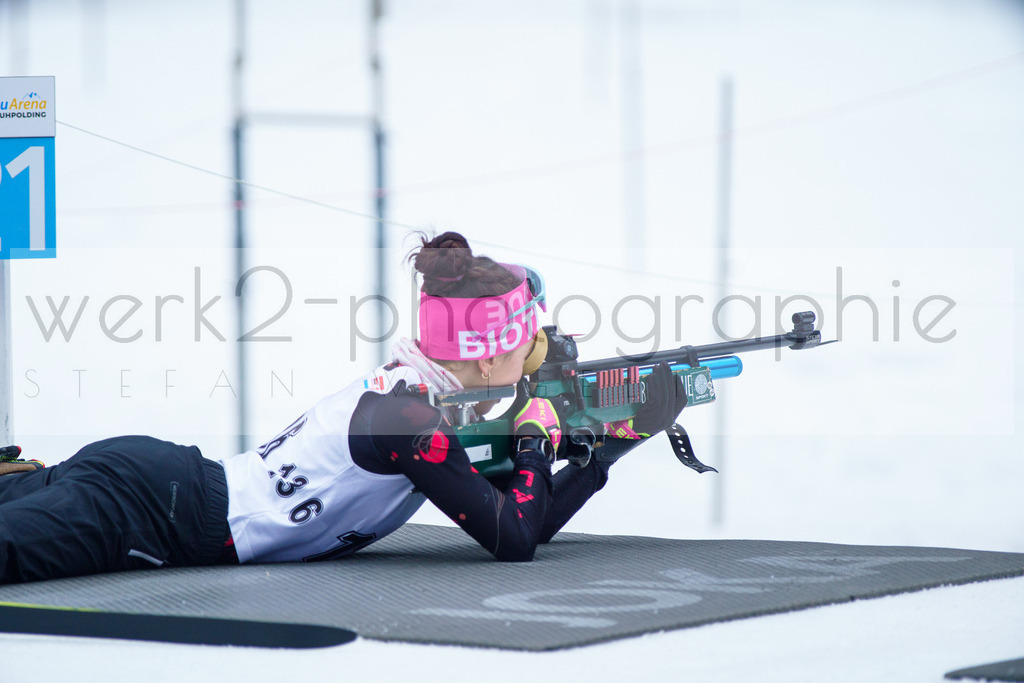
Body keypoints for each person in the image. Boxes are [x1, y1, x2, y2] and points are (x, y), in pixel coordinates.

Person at [0, 232, 686, 584]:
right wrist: (537, 441)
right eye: (525, 339)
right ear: (482, 356)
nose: (536, 349)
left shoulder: (425, 402)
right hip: (152, 513)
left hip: (161, 480)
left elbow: (520, 517)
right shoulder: (406, 419)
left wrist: (603, 451)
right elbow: (511, 538)